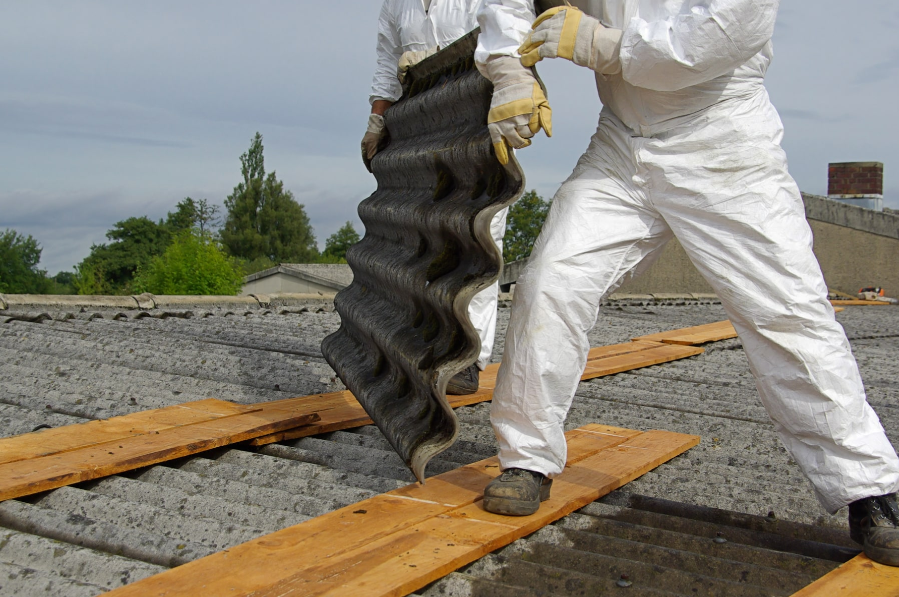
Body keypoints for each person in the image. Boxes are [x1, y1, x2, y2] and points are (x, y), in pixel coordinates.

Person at [474, 0, 899, 566]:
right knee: (551, 282)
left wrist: (603, 46)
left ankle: (869, 488)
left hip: (723, 141)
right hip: (621, 145)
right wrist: (509, 70)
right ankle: (526, 458)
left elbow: (721, 34)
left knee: (787, 314)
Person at [363, 0, 509, 395]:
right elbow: (386, 61)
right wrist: (378, 119)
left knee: (478, 233)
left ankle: (469, 357)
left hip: (479, 116)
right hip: (423, 122)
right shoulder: (397, 4)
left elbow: (507, 38)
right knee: (425, 233)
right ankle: (427, 343)